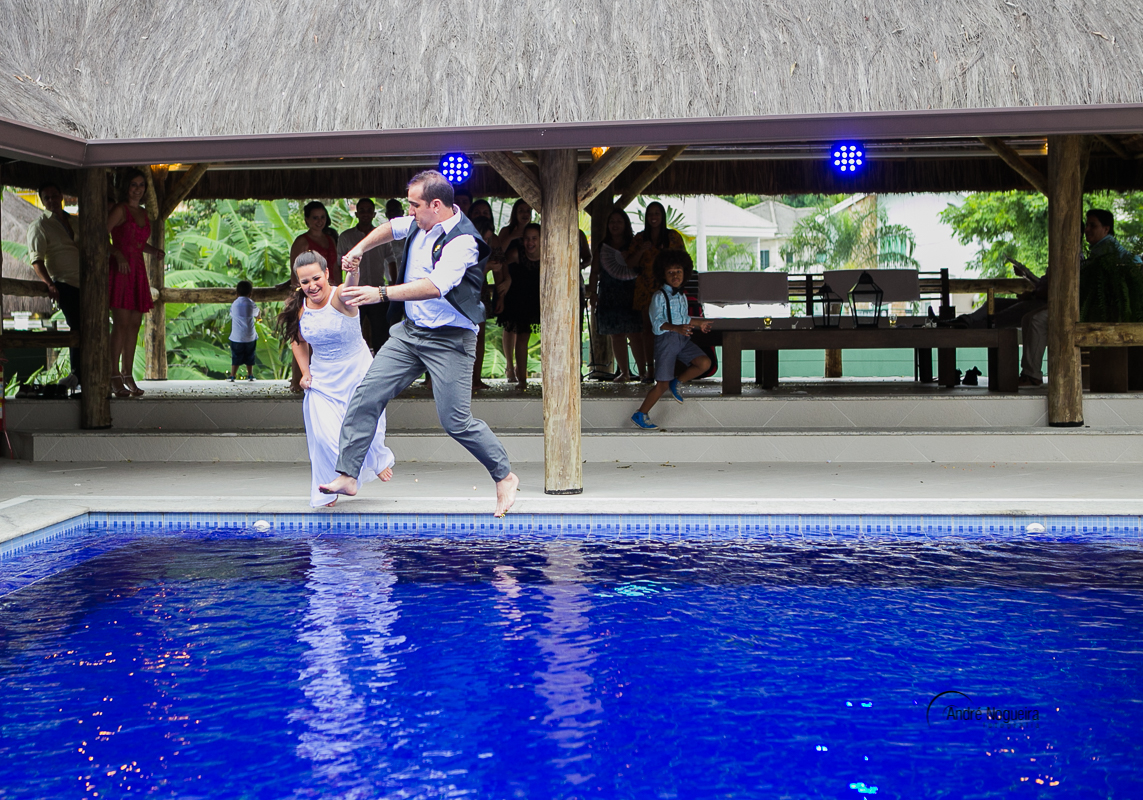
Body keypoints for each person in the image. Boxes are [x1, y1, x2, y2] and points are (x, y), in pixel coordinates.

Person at [322, 170, 519, 517]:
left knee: (455, 421)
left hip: (450, 339)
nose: (409, 211)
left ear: (436, 205)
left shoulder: (463, 241)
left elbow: (435, 286)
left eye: (414, 205)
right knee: (367, 394)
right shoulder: (419, 221)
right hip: (411, 333)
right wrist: (359, 248)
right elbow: (391, 228)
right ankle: (348, 474)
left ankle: (504, 476)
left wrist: (380, 293)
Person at [277, 251, 395, 508]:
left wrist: (353, 270)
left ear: (327, 273)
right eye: (305, 282)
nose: (312, 286)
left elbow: (351, 284)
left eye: (316, 278)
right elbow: (298, 341)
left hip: (356, 370)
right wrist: (305, 372)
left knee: (364, 423)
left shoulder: (341, 296)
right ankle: (331, 485)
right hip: (322, 378)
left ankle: (375, 459)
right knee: (324, 437)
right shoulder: (300, 307)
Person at [632, 251, 712, 430]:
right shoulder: (659, 296)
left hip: (682, 339)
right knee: (662, 385)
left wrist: (699, 323)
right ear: (663, 274)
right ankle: (641, 413)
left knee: (704, 363)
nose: (675, 275)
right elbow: (657, 323)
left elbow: (683, 318)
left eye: (678, 271)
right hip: (666, 341)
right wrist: (676, 328)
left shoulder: (681, 296)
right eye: (670, 272)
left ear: (685, 273)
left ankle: (677, 382)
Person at [107, 169, 162, 398]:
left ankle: (127, 373)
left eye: (141, 185)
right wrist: (117, 254)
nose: (138, 189)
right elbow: (99, 236)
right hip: (121, 269)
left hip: (137, 270)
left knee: (134, 325)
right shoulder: (120, 209)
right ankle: (113, 375)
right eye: (133, 185)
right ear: (126, 187)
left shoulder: (143, 212)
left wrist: (154, 251)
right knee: (120, 324)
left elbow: (138, 243)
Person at [26, 182, 82, 389]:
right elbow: (36, 260)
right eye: (47, 198)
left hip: (88, 284)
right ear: (42, 201)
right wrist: (49, 284)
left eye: (54, 196)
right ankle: (77, 375)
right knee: (78, 327)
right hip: (64, 283)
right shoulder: (39, 225)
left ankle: (87, 374)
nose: (51, 200)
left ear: (61, 196)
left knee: (93, 327)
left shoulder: (75, 221)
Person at [628, 201, 686, 381]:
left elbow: (684, 261)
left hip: (668, 289)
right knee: (649, 329)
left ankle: (668, 368)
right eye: (650, 213)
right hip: (646, 289)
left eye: (657, 213)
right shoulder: (640, 238)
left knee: (671, 327)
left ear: (662, 216)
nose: (653, 217)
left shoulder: (672, 237)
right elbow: (629, 263)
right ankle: (650, 369)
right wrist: (642, 250)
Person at [588, 208, 645, 382]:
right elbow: (594, 272)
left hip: (631, 293)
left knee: (635, 334)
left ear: (626, 224)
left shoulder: (634, 244)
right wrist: (593, 293)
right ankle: (625, 373)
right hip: (608, 294)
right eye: (612, 221)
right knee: (616, 335)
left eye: (619, 221)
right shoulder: (602, 247)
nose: (615, 225)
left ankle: (643, 373)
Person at [337, 198, 393, 353]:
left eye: (369, 210)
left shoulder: (382, 236)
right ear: (356, 214)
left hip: (377, 292)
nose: (365, 214)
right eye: (362, 210)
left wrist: (394, 284)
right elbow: (338, 264)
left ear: (374, 214)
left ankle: (381, 365)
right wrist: (338, 289)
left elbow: (391, 260)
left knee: (381, 334)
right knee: (352, 333)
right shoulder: (346, 237)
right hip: (354, 294)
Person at [496, 222, 542, 391]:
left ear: (542, 239)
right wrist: (507, 279)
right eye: (527, 239)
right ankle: (522, 379)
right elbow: (501, 261)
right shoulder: (517, 253)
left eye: (534, 238)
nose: (530, 242)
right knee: (522, 337)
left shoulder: (548, 253)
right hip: (520, 298)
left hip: (542, 299)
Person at [497, 199, 534, 382]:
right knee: (510, 325)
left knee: (524, 329)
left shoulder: (534, 231)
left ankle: (521, 367)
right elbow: (498, 254)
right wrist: (512, 236)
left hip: (529, 282)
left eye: (528, 210)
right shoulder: (507, 231)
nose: (525, 214)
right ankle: (510, 366)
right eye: (521, 210)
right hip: (510, 281)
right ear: (515, 213)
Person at [291, 201, 341, 285]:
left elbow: (335, 269)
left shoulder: (330, 239)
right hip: (312, 289)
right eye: (315, 218)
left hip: (331, 289)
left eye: (322, 217)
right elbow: (295, 272)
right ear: (307, 219)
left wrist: (339, 289)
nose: (320, 221)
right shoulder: (301, 242)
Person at [228, 280, 260, 381]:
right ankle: (250, 375)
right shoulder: (251, 303)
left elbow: (232, 314)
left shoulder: (234, 304)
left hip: (236, 337)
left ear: (237, 294)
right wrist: (258, 317)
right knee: (250, 356)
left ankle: (232, 375)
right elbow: (257, 313)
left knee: (236, 356)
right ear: (250, 294)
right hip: (250, 336)